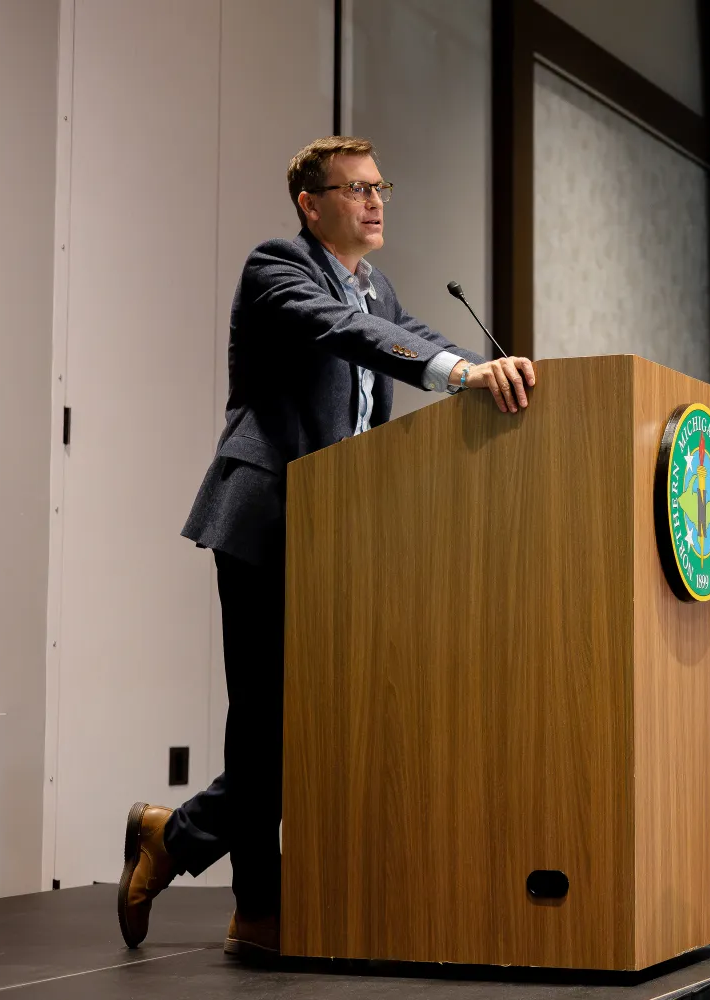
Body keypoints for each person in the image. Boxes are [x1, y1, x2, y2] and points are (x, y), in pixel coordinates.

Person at [114, 136, 535, 960]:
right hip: (264, 518)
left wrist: (490, 368)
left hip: (337, 535)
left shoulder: (376, 283)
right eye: (356, 190)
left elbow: (403, 328)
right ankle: (256, 908)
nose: (376, 203)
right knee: (267, 725)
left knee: (305, 727)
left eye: (381, 187)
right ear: (312, 204)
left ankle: (177, 839)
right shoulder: (280, 267)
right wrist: (459, 375)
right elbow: (348, 332)